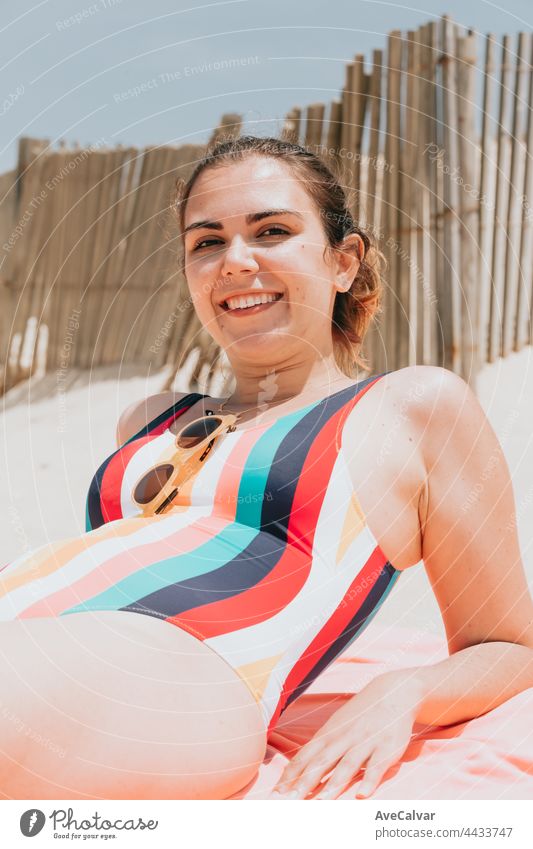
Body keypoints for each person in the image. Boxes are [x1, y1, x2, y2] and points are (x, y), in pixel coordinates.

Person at [1, 135, 533, 801]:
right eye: (207, 241)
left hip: (184, 676)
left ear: (344, 261)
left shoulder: (408, 408)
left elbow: (511, 645)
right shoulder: (151, 416)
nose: (235, 261)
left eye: (271, 230)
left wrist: (406, 687)